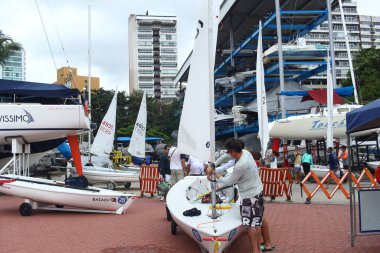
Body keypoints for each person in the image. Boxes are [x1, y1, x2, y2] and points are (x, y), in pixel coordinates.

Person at [207, 139, 269, 253]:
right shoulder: (246, 152)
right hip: (258, 191)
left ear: (233, 152)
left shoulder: (240, 166)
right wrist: (213, 164)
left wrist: (214, 173)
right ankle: (263, 247)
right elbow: (226, 157)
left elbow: (229, 182)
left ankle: (255, 251)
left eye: (229, 152)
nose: (228, 155)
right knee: (257, 222)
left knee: (250, 226)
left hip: (249, 196)